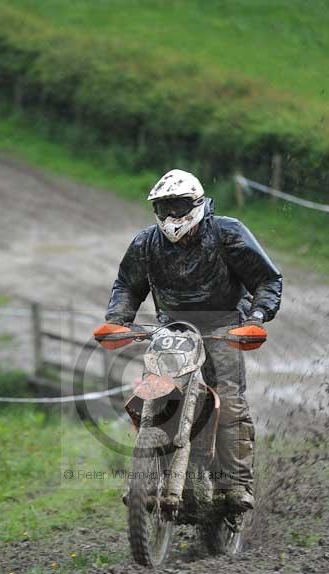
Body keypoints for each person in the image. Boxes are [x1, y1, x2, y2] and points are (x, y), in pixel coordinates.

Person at [105, 168, 282, 512]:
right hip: (173, 329)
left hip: (224, 323)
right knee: (152, 393)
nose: (172, 215)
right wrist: (116, 321)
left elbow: (267, 279)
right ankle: (148, 472)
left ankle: (236, 484)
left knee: (228, 400)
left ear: (197, 204)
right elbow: (127, 285)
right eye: (164, 207)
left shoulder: (227, 233)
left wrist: (257, 317)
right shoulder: (146, 243)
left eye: (178, 206)